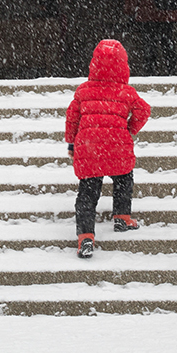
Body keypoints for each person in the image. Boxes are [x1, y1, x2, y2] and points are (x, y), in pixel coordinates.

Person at [64, 38, 152, 258]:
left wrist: (71, 142)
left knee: (87, 192)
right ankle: (122, 217)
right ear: (123, 65)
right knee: (123, 179)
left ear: (93, 64)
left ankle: (85, 236)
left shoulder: (83, 90)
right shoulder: (127, 92)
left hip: (89, 147)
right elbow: (144, 111)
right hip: (117, 146)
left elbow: (72, 118)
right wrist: (130, 128)